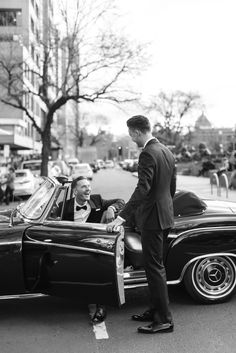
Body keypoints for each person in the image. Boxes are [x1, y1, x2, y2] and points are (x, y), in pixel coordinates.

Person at [107, 115, 176, 334]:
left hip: (153, 219)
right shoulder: (166, 150)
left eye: (130, 134)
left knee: (154, 268)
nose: (130, 139)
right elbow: (171, 187)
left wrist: (122, 216)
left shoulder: (147, 153)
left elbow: (142, 189)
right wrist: (164, 208)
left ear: (137, 132)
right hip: (164, 216)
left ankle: (164, 320)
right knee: (155, 266)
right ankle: (155, 310)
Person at [59, 176, 125, 324]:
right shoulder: (64, 206)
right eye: (84, 187)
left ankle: (101, 307)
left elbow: (121, 201)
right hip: (74, 245)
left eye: (89, 186)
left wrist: (111, 208)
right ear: (75, 191)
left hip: (94, 244)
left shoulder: (97, 200)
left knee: (99, 266)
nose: (88, 189)